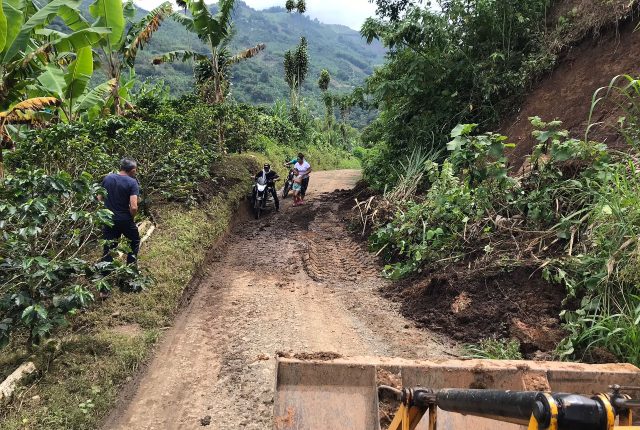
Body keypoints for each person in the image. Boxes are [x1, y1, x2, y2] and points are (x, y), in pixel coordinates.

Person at [100, 158, 141, 266]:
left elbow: (99, 197)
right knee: (134, 241)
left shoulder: (108, 178)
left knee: (109, 246)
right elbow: (134, 207)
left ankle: (105, 270)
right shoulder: (132, 182)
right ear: (133, 170)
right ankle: (131, 267)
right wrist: (131, 217)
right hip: (124, 219)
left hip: (108, 219)